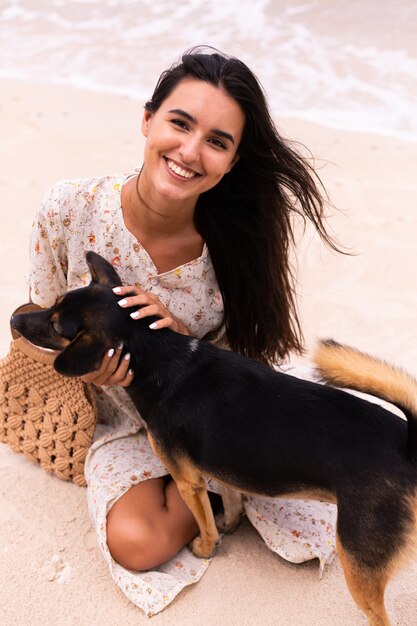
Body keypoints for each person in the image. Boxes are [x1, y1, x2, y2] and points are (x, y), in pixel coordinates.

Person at [29, 47, 339, 616]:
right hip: (122, 418)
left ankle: (226, 479)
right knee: (136, 542)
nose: (190, 151)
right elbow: (38, 314)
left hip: (211, 406)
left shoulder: (237, 249)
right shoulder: (70, 208)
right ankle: (229, 486)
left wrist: (180, 341)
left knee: (329, 482)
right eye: (180, 123)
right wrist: (90, 364)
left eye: (217, 142)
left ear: (232, 162)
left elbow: (243, 357)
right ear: (148, 120)